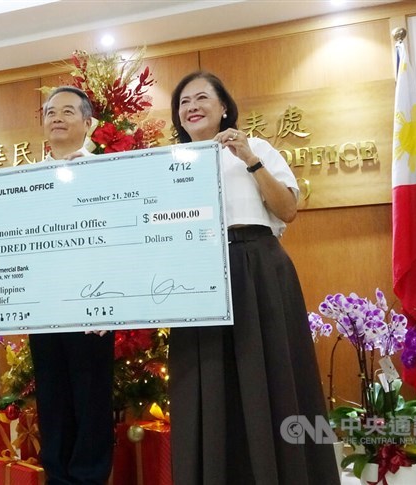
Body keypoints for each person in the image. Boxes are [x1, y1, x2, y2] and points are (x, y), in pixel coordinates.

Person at [167, 71, 340, 485]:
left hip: (258, 270)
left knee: (274, 375)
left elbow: (287, 210)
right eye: (184, 101)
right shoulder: (169, 164)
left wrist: (250, 160)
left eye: (202, 97)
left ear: (224, 106)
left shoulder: (256, 147)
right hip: (198, 277)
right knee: (207, 382)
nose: (192, 106)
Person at [28, 86, 115, 485]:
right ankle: (58, 477)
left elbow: (121, 238)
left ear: (88, 123)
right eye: (50, 112)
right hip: (43, 307)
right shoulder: (25, 181)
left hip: (92, 308)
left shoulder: (110, 174)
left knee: (91, 399)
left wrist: (111, 298)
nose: (56, 117)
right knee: (52, 399)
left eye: (67, 111)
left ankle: (90, 478)